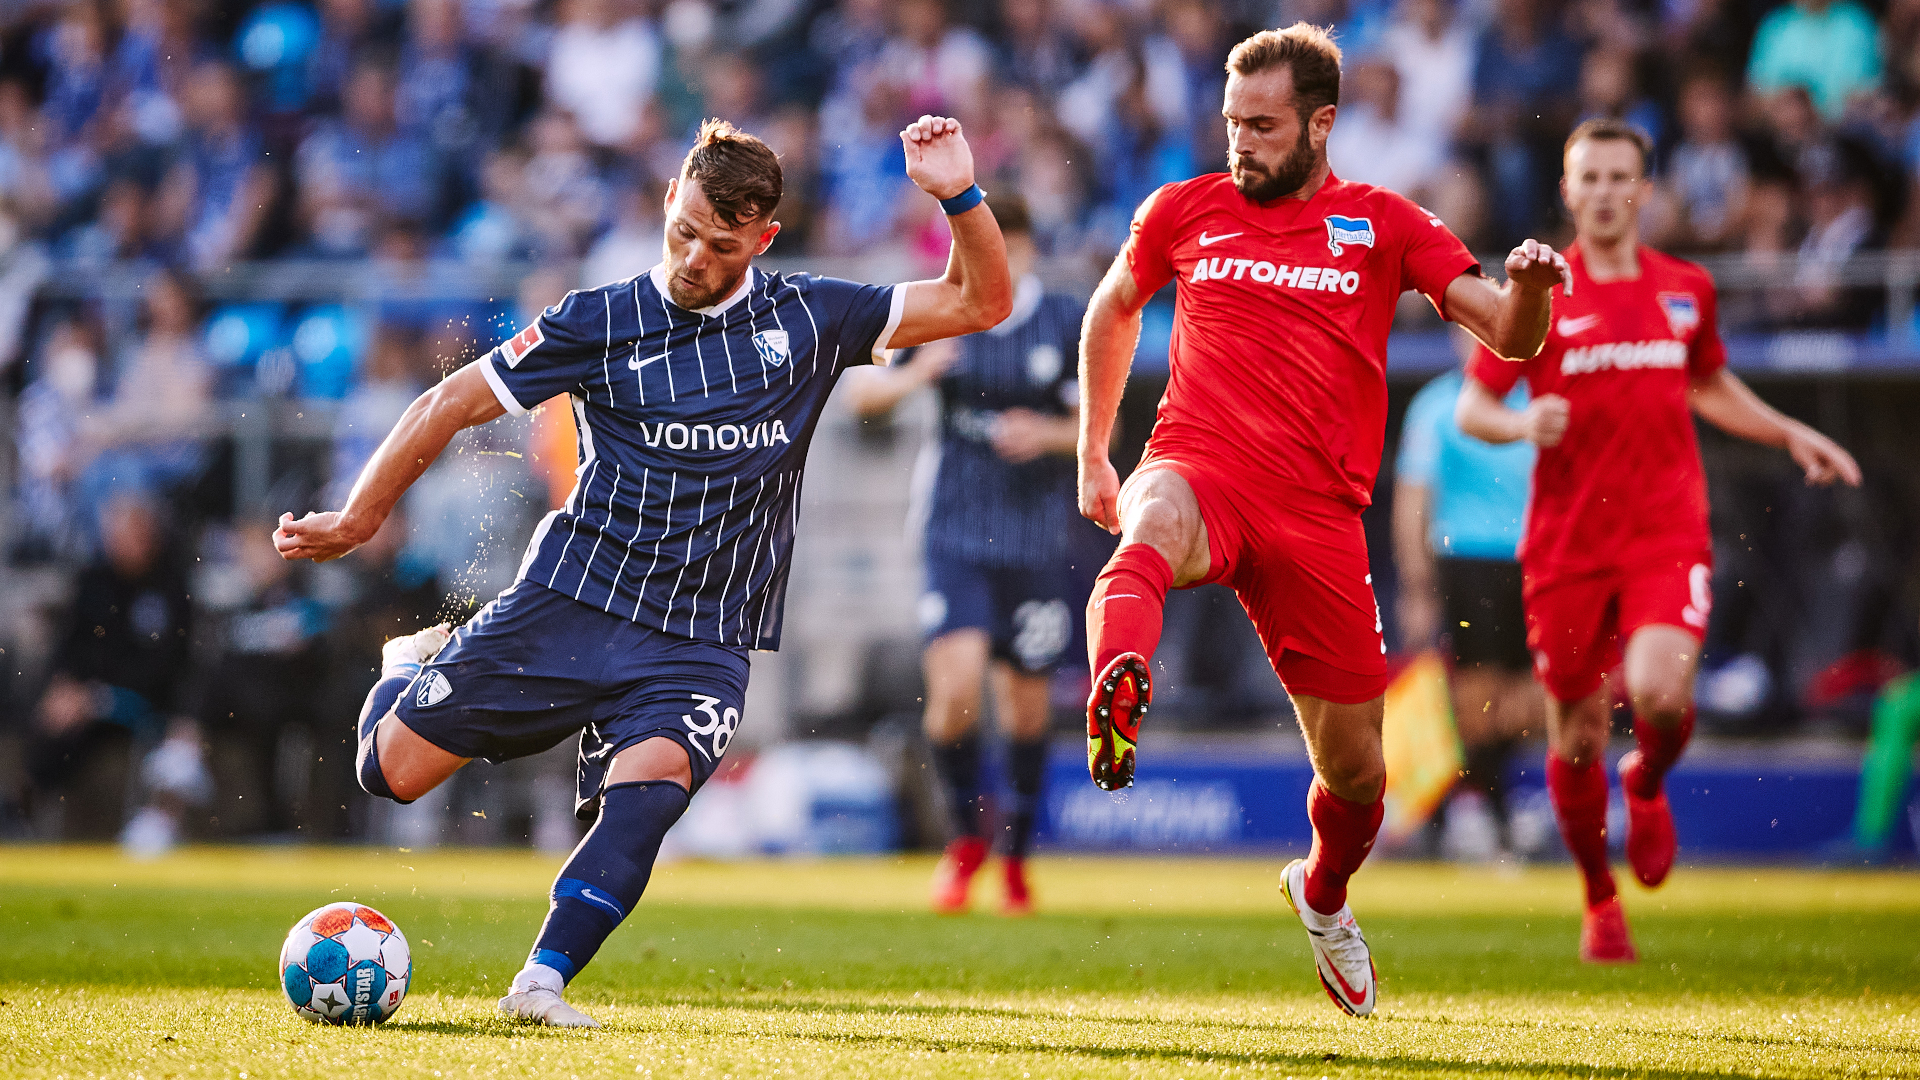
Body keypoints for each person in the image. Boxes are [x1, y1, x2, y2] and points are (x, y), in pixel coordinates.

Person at [273, 116, 1013, 1027]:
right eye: (685, 230)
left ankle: (540, 984)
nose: (697, 256)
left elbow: (981, 302)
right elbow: (449, 399)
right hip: (574, 599)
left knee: (652, 788)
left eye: (723, 245)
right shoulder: (599, 318)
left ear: (764, 239)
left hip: (704, 635)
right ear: (670, 199)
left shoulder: (814, 317)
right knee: (388, 774)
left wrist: (958, 194)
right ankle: (409, 665)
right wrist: (360, 516)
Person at [1075, 23, 1571, 1017]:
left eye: (1261, 127)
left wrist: (1528, 290)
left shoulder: (1385, 223)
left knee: (1358, 776)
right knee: (1151, 520)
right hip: (1200, 466)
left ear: (1321, 124)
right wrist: (1095, 448)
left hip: (1317, 518)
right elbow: (1112, 308)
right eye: (1230, 123)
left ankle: (1323, 894)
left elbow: (1509, 338)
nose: (1239, 143)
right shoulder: (1185, 208)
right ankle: (1116, 690)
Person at [1455, 118, 1862, 963]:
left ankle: (1645, 781)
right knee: (1573, 736)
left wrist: (1788, 432)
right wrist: (1525, 420)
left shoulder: (1685, 288)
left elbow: (1708, 381)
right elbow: (1473, 407)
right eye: (1588, 179)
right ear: (1567, 192)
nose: (1604, 192)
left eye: (1618, 177)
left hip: (1664, 532)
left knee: (1662, 694)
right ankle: (1599, 899)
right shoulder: (1539, 292)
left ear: (1642, 189)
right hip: (1565, 545)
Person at [842, 196, 1080, 915]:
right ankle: (963, 840)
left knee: (1029, 708)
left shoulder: (1065, 321)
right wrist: (917, 376)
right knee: (954, 694)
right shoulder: (944, 310)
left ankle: (1015, 855)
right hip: (954, 529)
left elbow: (1095, 428)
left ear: (1027, 249)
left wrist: (1044, 435)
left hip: (1036, 536)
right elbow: (860, 394)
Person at [1392, 333, 1543, 860]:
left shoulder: (1541, 403)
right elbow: (1414, 500)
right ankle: (1480, 814)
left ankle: (1456, 806)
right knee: (1478, 701)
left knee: (1533, 705)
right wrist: (1417, 587)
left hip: (1540, 564)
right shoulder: (1438, 405)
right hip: (1468, 562)